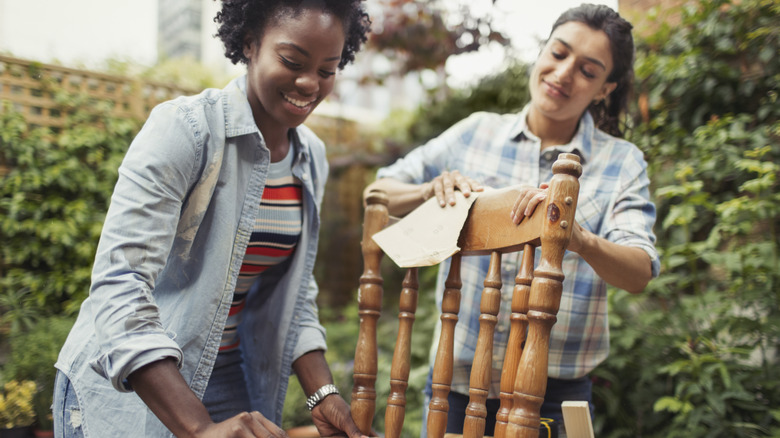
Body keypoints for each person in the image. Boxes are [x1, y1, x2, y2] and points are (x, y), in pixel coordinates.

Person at [53, 1, 371, 437]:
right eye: (292, 61)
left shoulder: (310, 156)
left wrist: (323, 395)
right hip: (134, 384)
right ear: (249, 43)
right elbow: (119, 284)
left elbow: (295, 294)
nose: (308, 83)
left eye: (327, 70)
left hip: (225, 376)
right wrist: (200, 428)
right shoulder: (185, 129)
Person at [364, 3, 660, 435]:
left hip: (557, 398)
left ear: (604, 89)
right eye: (558, 54)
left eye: (587, 70)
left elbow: (639, 272)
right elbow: (379, 191)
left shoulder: (622, 163)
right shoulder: (475, 133)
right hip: (457, 385)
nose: (563, 74)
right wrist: (429, 190)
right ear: (541, 52)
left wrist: (578, 238)